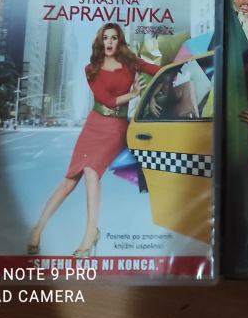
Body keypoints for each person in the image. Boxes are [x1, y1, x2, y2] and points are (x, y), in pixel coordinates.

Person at [27, 23, 159, 257]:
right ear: (100, 41)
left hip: (115, 128)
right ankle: (38, 228)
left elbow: (157, 71)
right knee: (69, 181)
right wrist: (133, 94)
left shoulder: (131, 63)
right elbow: (106, 99)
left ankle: (90, 234)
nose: (109, 42)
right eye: (105, 38)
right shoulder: (91, 69)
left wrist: (151, 93)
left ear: (120, 41)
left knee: (90, 172)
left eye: (114, 38)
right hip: (93, 126)